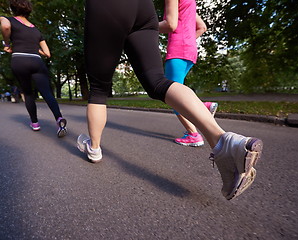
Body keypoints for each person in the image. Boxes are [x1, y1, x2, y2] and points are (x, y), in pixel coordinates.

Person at [78, 0, 263, 200]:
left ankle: (94, 148)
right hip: (143, 8)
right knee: (158, 82)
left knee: (98, 88)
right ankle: (223, 141)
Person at [0, 0, 67, 137]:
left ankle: (35, 123)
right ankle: (59, 119)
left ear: (13, 8)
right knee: (47, 93)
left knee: (28, 93)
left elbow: (5, 27)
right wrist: (36, 49)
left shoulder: (7, 19)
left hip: (19, 60)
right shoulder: (36, 30)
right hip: (36, 61)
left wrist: (6, 44)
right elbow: (47, 53)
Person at [160, 0, 218, 147]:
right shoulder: (189, 3)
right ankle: (194, 128)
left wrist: (143, 26)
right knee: (176, 91)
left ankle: (194, 132)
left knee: (172, 96)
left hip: (177, 50)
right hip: (190, 50)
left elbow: (170, 25)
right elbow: (202, 27)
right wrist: (189, 40)